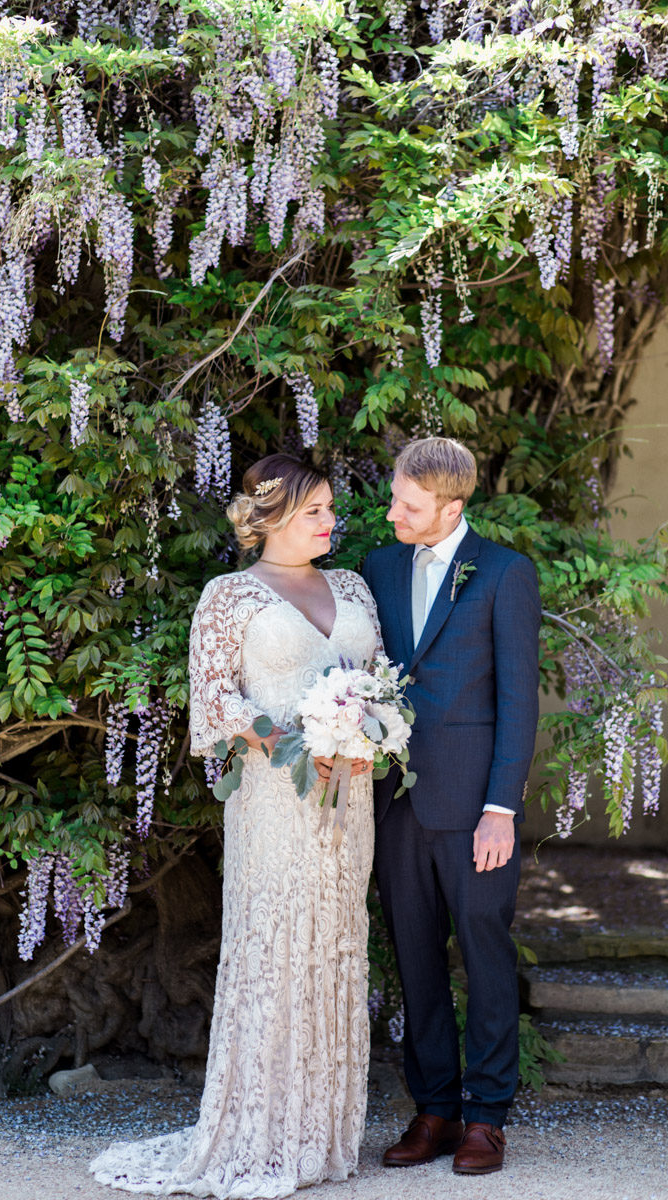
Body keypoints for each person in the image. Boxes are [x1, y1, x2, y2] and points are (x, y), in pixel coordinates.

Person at [90, 454, 381, 1198]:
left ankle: (321, 1135)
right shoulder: (228, 597)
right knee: (277, 943)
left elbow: (378, 681)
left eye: (329, 510)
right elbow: (212, 705)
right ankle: (259, 1131)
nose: (329, 523)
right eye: (315, 510)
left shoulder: (350, 587)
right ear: (271, 516)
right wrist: (292, 737)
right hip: (274, 797)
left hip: (352, 797)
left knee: (336, 942)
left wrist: (367, 730)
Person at [362, 437, 540, 1177]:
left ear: (451, 507)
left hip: (475, 807)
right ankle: (433, 1108)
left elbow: (518, 702)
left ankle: (486, 1118)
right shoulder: (377, 566)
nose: (394, 511)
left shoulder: (504, 573)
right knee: (414, 958)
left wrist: (501, 807)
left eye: (408, 503)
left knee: (485, 953)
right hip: (394, 802)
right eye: (396, 497)